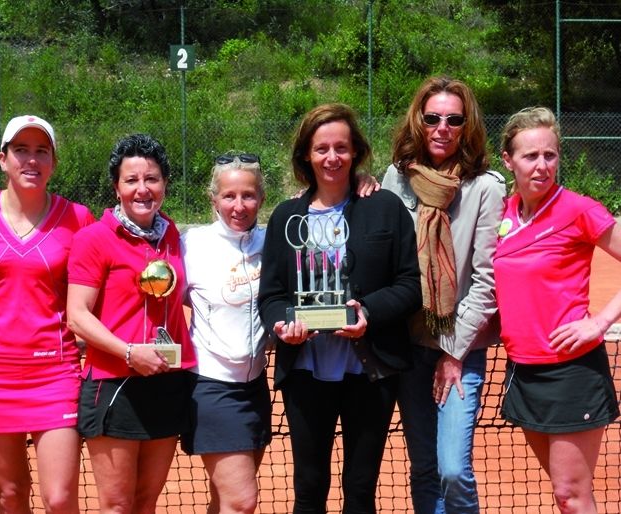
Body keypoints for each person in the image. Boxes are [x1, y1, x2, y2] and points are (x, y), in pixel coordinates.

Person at [257, 103, 421, 514]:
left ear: (356, 152)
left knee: (361, 488)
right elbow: (272, 295)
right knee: (309, 487)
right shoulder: (285, 216)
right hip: (306, 371)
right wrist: (284, 325)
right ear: (306, 156)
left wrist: (367, 312)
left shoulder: (385, 208)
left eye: (342, 148)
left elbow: (409, 286)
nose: (332, 158)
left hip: (370, 372)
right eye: (321, 149)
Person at [381, 76, 505, 513]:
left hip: (460, 347)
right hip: (407, 347)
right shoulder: (395, 180)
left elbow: (486, 278)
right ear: (419, 120)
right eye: (433, 117)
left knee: (453, 467)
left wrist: (453, 353)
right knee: (424, 468)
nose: (442, 128)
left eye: (454, 119)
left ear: (466, 126)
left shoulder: (487, 187)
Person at [0, 115, 94, 513]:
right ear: (3, 159)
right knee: (11, 494)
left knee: (59, 497)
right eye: (21, 150)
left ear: (53, 162)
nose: (31, 160)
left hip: (56, 374)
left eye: (42, 152)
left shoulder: (79, 219)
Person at [495, 106, 621, 514]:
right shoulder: (501, 213)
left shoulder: (578, 209)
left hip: (572, 372)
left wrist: (600, 321)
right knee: (562, 493)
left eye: (550, 155)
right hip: (522, 370)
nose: (542, 165)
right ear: (508, 160)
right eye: (530, 156)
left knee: (571, 495)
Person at [66, 133, 197, 514]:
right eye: (132, 180)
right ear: (117, 187)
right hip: (113, 384)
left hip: (168, 379)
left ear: (165, 185)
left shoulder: (172, 235)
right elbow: (77, 315)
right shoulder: (93, 239)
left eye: (152, 179)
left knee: (145, 502)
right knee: (117, 504)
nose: (143, 189)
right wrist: (128, 352)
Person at [180, 152, 271, 514]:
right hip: (211, 386)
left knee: (224, 500)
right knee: (242, 501)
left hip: (256, 386)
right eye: (229, 196)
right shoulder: (192, 246)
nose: (239, 205)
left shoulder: (274, 240)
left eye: (248, 195)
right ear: (213, 198)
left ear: (261, 198)